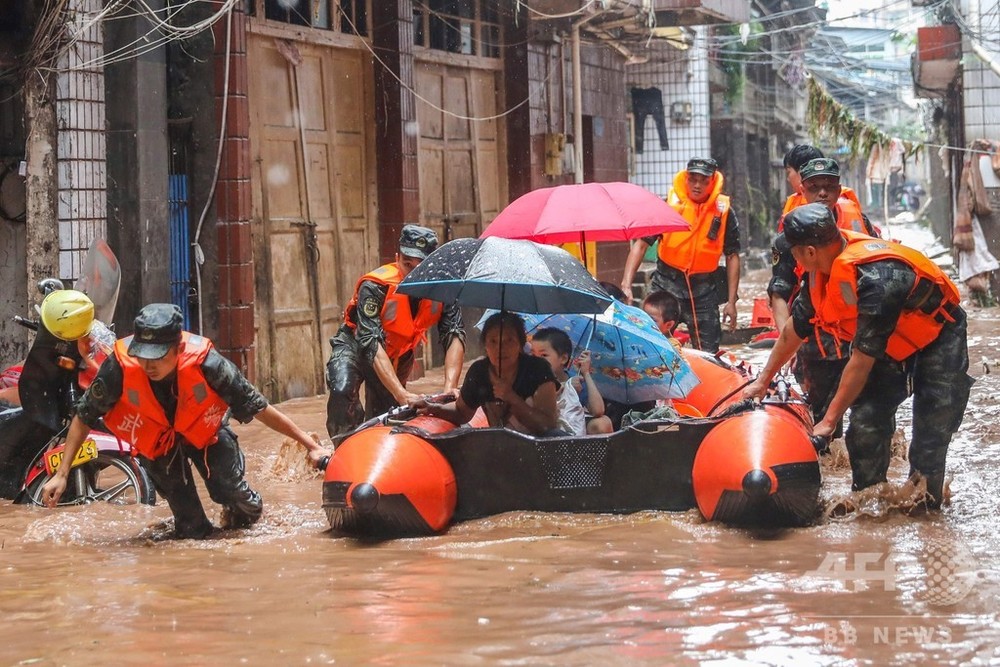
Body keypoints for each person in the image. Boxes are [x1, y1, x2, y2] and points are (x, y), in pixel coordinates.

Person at [744, 204, 973, 509]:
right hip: (889, 343)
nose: (792, 259)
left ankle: (926, 511)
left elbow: (861, 361)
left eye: (794, 252)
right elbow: (794, 331)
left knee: (930, 435)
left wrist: (828, 422)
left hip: (938, 338)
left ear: (810, 252)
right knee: (865, 424)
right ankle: (870, 508)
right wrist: (762, 381)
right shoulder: (819, 277)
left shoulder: (877, 279)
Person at [40, 303, 330, 538]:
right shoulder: (119, 366)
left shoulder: (209, 364)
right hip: (159, 442)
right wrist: (62, 474)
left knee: (231, 496)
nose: (148, 365)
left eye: (157, 356)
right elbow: (84, 416)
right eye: (142, 355)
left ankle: (250, 512)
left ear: (178, 348)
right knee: (191, 530)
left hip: (205, 432)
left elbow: (260, 408)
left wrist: (310, 445)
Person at [768, 157, 879, 430]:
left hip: (857, 338)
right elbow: (779, 294)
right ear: (802, 190)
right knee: (821, 421)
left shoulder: (858, 224)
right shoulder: (789, 237)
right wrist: (788, 347)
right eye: (814, 187)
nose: (822, 193)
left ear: (839, 189)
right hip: (815, 343)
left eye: (829, 186)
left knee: (869, 420)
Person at [326, 224, 465, 438]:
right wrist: (401, 394)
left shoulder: (444, 288)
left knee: (387, 416)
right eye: (407, 264)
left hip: (398, 354)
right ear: (397, 257)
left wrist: (450, 388)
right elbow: (370, 341)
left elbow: (454, 333)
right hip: (355, 346)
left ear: (434, 264)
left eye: (421, 266)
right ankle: (342, 447)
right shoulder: (375, 286)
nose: (413, 274)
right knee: (342, 390)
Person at [620, 157, 741, 353]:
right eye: (693, 179)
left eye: (703, 181)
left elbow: (732, 256)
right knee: (650, 344)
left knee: (708, 352)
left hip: (703, 290)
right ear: (686, 178)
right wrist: (626, 284)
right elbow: (641, 245)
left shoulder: (725, 213)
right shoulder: (667, 205)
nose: (697, 185)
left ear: (712, 181)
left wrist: (731, 301)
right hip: (666, 285)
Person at [419, 312, 561, 437]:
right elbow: (461, 412)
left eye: (509, 340)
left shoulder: (538, 369)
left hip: (538, 447)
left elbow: (548, 425)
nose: (501, 348)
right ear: (485, 346)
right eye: (493, 341)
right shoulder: (479, 372)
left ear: (520, 344)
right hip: (499, 446)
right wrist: (432, 407)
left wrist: (511, 397)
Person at [530, 327, 606, 436]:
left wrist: (586, 373)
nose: (536, 360)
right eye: (533, 355)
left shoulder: (574, 381)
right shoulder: (529, 378)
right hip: (540, 432)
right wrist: (562, 389)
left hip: (570, 433)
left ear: (563, 359)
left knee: (603, 423)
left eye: (544, 355)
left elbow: (598, 410)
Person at [781, 144, 825, 214]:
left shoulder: (833, 201)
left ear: (801, 172)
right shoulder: (792, 201)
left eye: (788, 172)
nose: (788, 179)